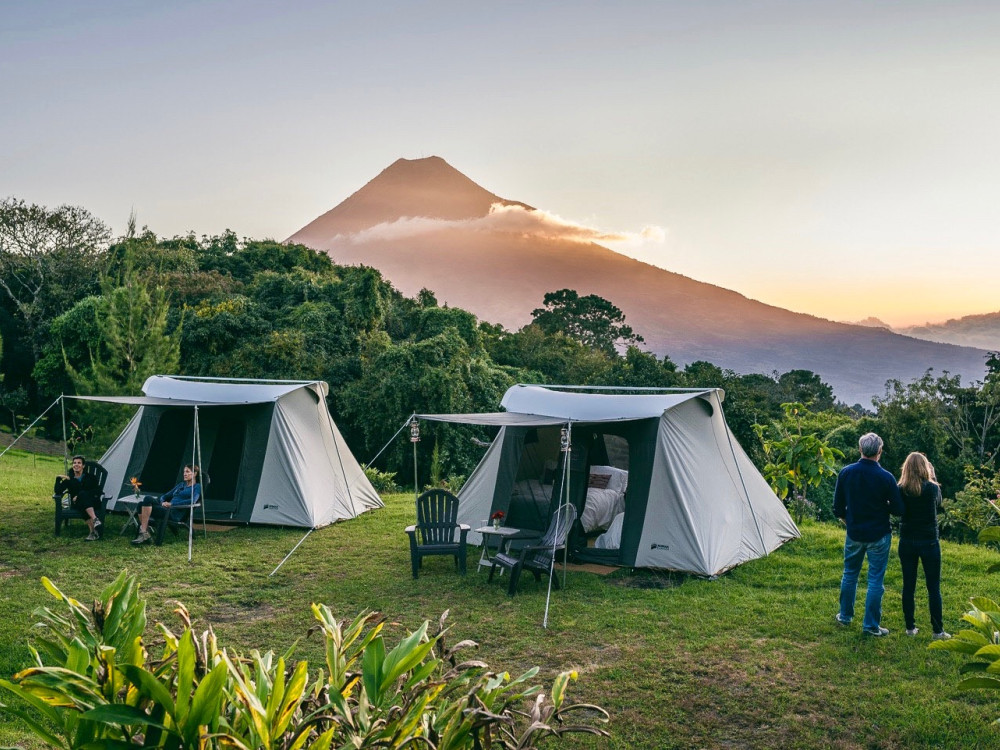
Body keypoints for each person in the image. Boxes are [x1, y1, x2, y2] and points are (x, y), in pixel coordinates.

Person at [833, 432, 905, 636]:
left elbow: (838, 508)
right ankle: (871, 625)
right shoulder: (886, 477)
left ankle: (845, 616)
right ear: (879, 452)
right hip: (879, 535)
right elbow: (899, 509)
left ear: (860, 449)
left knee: (850, 574)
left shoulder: (846, 473)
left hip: (854, 533)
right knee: (875, 580)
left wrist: (850, 522)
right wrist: (884, 506)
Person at [897, 452, 951, 640]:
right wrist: (933, 476)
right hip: (928, 541)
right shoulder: (932, 488)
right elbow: (939, 503)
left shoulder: (901, 488)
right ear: (925, 468)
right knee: (933, 587)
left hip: (907, 540)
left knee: (908, 585)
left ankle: (910, 627)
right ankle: (938, 631)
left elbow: (897, 511)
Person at [131, 464, 201, 545]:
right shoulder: (181, 484)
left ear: (195, 474)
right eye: (184, 472)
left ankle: (144, 533)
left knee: (147, 499)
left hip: (174, 513)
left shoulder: (197, 487)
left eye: (187, 472)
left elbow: (193, 501)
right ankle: (145, 533)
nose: (184, 474)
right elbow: (165, 496)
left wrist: (172, 504)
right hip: (166, 508)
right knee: (141, 504)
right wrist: (162, 502)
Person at [54, 455, 102, 541]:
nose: (76, 465)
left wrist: (79, 496)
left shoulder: (91, 477)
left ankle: (92, 532)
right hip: (77, 504)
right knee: (82, 502)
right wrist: (58, 479)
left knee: (82, 496)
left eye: (79, 463)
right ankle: (95, 521)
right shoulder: (69, 480)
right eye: (74, 463)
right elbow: (58, 491)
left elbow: (97, 491)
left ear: (83, 466)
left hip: (93, 502)